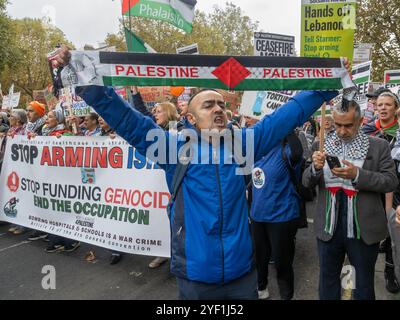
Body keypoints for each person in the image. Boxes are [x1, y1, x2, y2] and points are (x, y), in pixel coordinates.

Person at [53, 46, 345, 300]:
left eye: (221, 104)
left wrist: (328, 81)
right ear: (190, 118)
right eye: (208, 105)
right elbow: (128, 120)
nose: (218, 108)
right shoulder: (172, 148)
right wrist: (83, 78)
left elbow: (290, 113)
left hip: (243, 273)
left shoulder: (243, 143)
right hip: (195, 276)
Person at [303, 100, 398, 300]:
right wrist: (315, 169)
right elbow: (306, 182)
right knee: (327, 283)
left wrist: (357, 175)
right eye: (338, 124)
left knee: (362, 285)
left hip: (363, 230)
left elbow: (390, 181)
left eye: (348, 125)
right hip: (329, 228)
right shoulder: (320, 143)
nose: (342, 131)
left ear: (361, 121)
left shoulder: (379, 145)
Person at [250, 131, 304, 300]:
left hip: (282, 216)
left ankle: (286, 295)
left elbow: (297, 152)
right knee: (260, 256)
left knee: (282, 261)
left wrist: (287, 125)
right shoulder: (255, 150)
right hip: (258, 215)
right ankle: (261, 286)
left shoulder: (286, 150)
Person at [363, 91, 400, 294]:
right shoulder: (367, 129)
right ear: (375, 108)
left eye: (388, 104)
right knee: (375, 226)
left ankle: (389, 270)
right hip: (371, 186)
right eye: (380, 105)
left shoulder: (399, 131)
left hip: (396, 189)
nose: (383, 108)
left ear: (395, 108)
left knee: (394, 229)